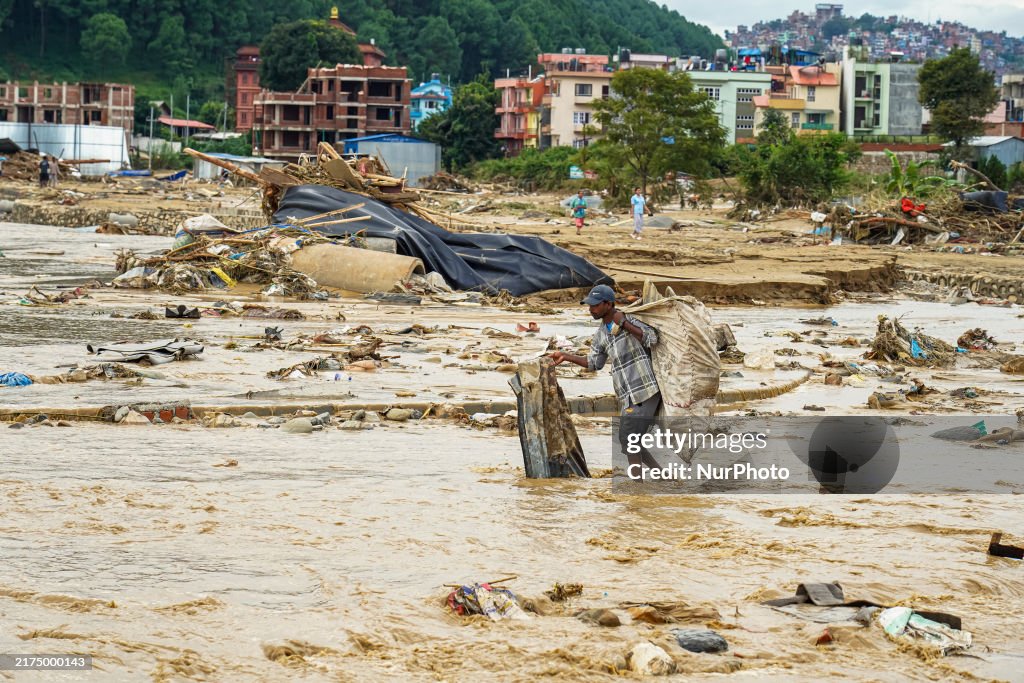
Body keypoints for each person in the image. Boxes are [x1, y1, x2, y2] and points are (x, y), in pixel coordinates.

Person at [550, 284, 663, 470]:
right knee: (629, 441)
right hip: (627, 395)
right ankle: (663, 477)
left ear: (608, 304)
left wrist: (625, 324)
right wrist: (566, 356)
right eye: (589, 305)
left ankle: (636, 487)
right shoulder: (601, 334)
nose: (591, 309)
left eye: (594, 305)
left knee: (629, 439)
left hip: (645, 388)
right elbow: (594, 363)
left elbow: (652, 338)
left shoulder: (631, 318)